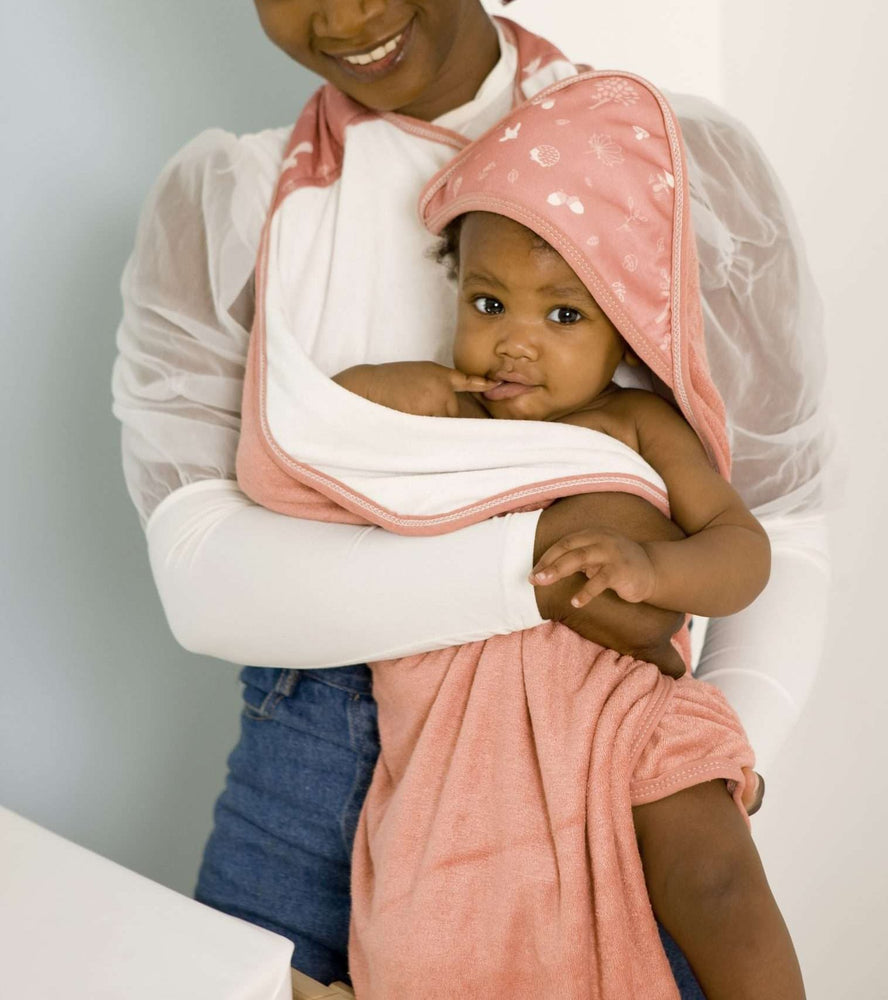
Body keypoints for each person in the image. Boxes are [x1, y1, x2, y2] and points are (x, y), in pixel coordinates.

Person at [112, 1, 831, 993]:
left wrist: (705, 756)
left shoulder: (668, 172)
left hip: (605, 730)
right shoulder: (229, 206)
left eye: (564, 312)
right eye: (484, 303)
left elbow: (772, 525)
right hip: (318, 750)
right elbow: (201, 574)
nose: (345, 11)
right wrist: (533, 568)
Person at [306, 68, 804, 993]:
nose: (515, 341)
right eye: (488, 305)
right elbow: (310, 446)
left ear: (626, 334)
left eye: (565, 315)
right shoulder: (448, 415)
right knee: (435, 939)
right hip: (471, 730)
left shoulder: (634, 426)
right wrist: (381, 394)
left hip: (625, 705)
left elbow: (744, 553)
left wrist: (652, 569)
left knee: (718, 879)